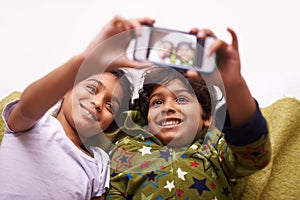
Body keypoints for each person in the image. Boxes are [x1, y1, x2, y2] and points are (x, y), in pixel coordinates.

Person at [0, 15, 155, 200]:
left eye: (110, 106)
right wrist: (86, 59)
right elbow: (27, 105)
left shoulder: (99, 165)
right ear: (65, 90)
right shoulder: (35, 123)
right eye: (91, 88)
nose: (98, 103)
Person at [106, 28, 271, 199]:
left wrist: (233, 83)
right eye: (157, 102)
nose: (167, 107)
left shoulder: (214, 148)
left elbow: (253, 155)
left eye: (182, 99)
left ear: (207, 117)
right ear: (147, 117)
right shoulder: (127, 150)